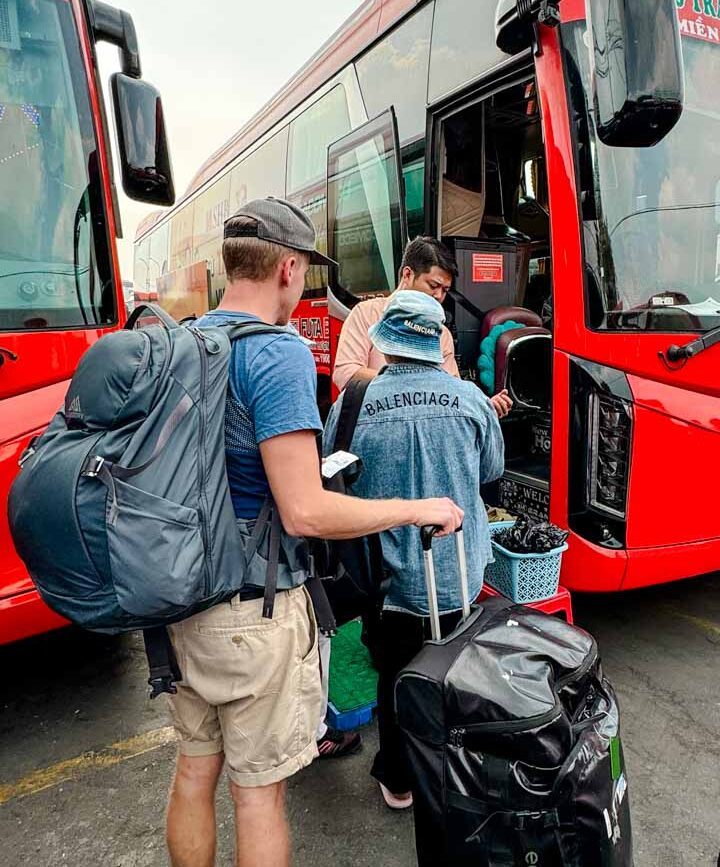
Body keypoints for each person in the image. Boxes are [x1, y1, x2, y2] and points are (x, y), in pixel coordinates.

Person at [165, 198, 463, 867]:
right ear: (289, 267)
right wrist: (412, 508)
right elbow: (305, 510)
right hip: (251, 606)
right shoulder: (278, 355)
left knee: (193, 770)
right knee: (257, 794)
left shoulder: (185, 340)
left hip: (179, 595)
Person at [323, 290, 505, 810]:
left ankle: (400, 779)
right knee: (456, 676)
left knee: (397, 678)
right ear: (434, 342)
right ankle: (459, 774)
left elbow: (334, 478)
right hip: (461, 577)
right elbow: (490, 471)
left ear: (386, 342)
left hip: (388, 581)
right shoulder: (469, 398)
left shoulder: (353, 402)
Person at [332, 236, 514, 419]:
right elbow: (346, 373)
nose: (439, 296)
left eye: (445, 290)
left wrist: (479, 404)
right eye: (433, 285)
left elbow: (452, 386)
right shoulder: (366, 314)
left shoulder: (441, 333)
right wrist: (412, 382)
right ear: (407, 274)